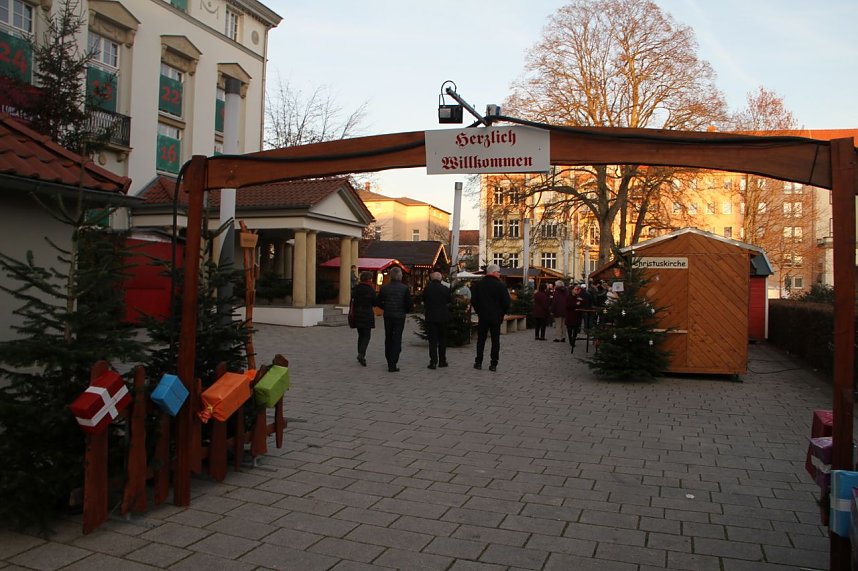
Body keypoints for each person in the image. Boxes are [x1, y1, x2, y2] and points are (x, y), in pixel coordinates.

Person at [470, 263, 510, 372]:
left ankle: (478, 362)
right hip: (496, 317)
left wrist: (479, 312)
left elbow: (474, 300)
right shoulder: (501, 285)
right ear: (493, 272)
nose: (499, 274)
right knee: (495, 341)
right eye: (498, 272)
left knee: (481, 340)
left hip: (483, 316)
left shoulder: (479, 285)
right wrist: (501, 313)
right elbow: (506, 302)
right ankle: (493, 364)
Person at [375, 266, 413, 372]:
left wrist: (385, 307)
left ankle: (389, 359)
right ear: (400, 276)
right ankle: (393, 362)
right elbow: (409, 303)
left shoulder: (384, 288)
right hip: (399, 316)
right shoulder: (404, 288)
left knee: (388, 337)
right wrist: (405, 310)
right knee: (397, 338)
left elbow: (378, 301)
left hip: (388, 315)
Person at [422, 271, 452, 369]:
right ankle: (442, 361)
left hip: (431, 317)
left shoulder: (427, 289)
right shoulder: (445, 289)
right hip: (443, 317)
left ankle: (433, 362)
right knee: (442, 340)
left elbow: (424, 300)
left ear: (431, 279)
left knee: (433, 341)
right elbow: (449, 300)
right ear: (440, 279)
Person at [350, 271, 377, 366]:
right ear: (369, 279)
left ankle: (360, 353)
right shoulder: (371, 289)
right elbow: (374, 303)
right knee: (366, 336)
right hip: (367, 314)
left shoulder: (356, 288)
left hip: (357, 313)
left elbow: (352, 298)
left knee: (360, 335)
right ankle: (361, 354)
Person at [566, 283, 588, 353]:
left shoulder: (578, 297)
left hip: (577, 315)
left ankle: (573, 340)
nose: (576, 291)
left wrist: (582, 300)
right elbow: (567, 305)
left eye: (577, 290)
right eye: (575, 289)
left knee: (575, 329)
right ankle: (570, 340)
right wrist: (575, 304)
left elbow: (584, 304)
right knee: (569, 329)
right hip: (570, 315)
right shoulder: (568, 297)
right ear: (572, 290)